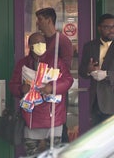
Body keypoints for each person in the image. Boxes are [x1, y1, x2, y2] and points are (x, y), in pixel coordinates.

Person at [9, 32, 73, 156]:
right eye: (37, 43)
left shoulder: (56, 62)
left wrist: (52, 87)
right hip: (31, 117)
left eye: (42, 42)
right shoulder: (23, 64)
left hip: (53, 116)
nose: (40, 45)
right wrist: (21, 88)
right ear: (30, 46)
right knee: (31, 154)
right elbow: (12, 85)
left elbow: (68, 80)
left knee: (54, 154)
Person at [35, 7, 73, 142]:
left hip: (56, 92)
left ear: (49, 20)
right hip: (40, 91)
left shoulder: (62, 41)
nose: (37, 23)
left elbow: (66, 70)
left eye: (40, 20)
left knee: (58, 127)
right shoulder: (41, 41)